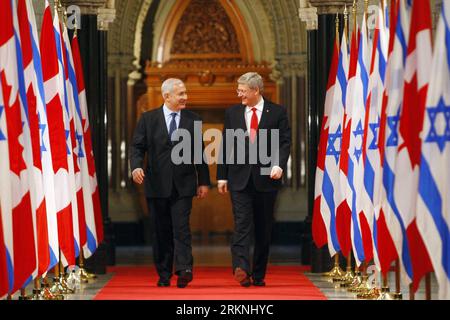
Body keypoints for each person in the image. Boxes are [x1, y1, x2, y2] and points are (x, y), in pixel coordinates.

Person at [130, 78, 210, 288]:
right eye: (180, 94)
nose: (185, 97)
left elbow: (199, 152)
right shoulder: (148, 119)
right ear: (167, 96)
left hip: (184, 184)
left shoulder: (193, 119)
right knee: (161, 230)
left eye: (185, 93)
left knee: (181, 228)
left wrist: (204, 181)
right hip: (156, 186)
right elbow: (137, 147)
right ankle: (164, 273)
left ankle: (184, 269)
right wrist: (136, 166)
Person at [217, 72, 291, 287]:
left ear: (256, 90)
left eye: (242, 90)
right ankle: (241, 267)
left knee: (263, 228)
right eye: (238, 90)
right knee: (242, 223)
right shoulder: (232, 113)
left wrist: (278, 165)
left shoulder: (277, 112)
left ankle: (258, 274)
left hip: (267, 179)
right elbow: (226, 145)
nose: (238, 94)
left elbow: (284, 142)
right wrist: (222, 176)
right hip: (239, 179)